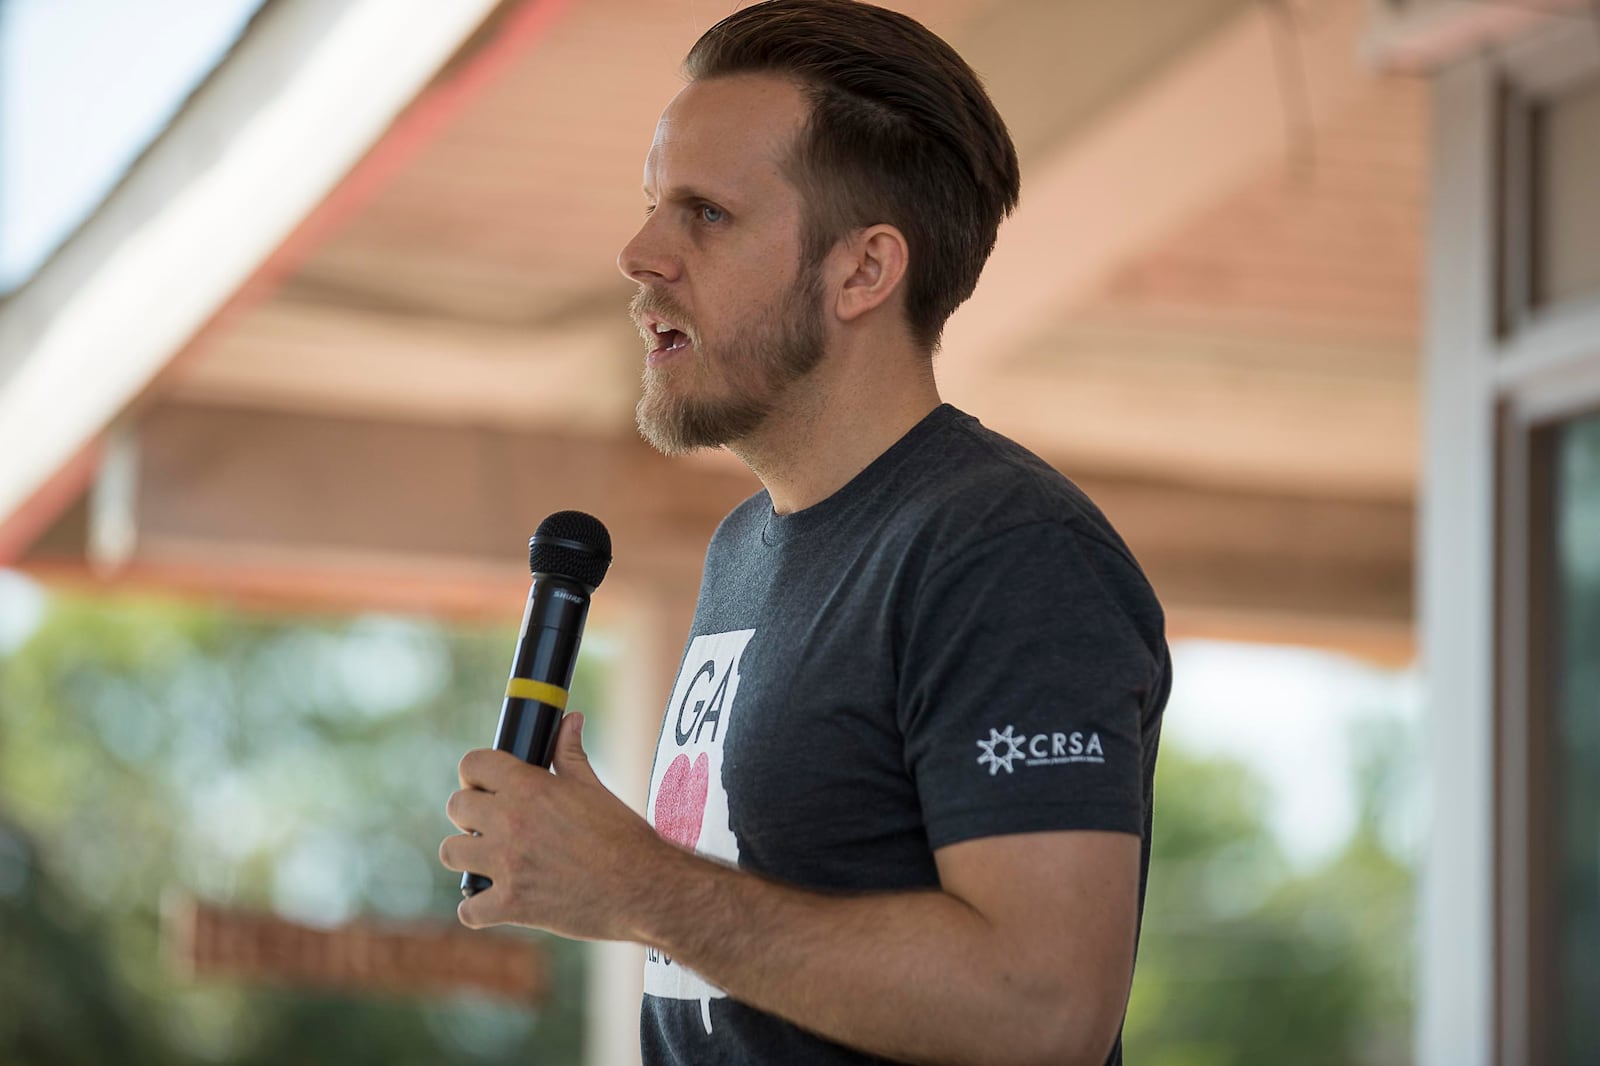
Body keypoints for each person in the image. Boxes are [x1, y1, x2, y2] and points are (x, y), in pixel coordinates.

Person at [439, 2, 1171, 1063]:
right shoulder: (745, 550)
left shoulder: (1008, 550)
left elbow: (1042, 1007)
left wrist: (637, 885)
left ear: (865, 271)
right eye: (653, 204)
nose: (639, 253)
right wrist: (610, 867)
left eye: (706, 215)